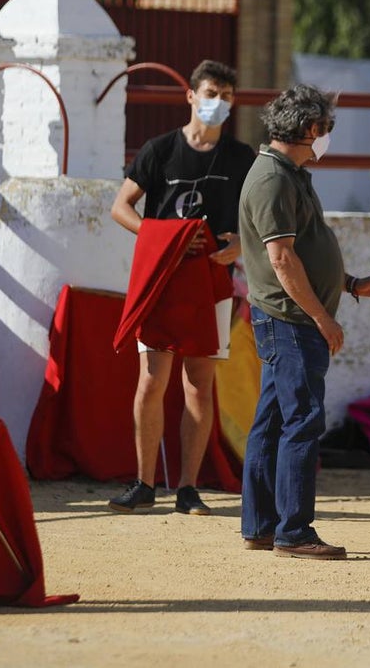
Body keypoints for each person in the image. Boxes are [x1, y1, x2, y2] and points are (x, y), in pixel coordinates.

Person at [238, 83, 370, 560]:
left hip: (289, 318)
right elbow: (282, 260)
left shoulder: (288, 174)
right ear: (310, 129)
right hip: (290, 321)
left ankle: (264, 526)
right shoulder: (273, 180)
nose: (328, 136)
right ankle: (294, 531)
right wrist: (324, 317)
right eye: (326, 127)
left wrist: (347, 284)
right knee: (302, 419)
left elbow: (303, 253)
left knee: (274, 419)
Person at [108, 59, 256, 516]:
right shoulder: (160, 150)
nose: (218, 103)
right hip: (162, 280)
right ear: (190, 96)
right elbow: (121, 206)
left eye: (227, 96)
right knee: (152, 381)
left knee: (199, 384)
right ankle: (143, 482)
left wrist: (241, 247)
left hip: (212, 280)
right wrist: (162, 238)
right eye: (211, 93)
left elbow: (259, 218)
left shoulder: (240, 157)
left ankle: (188, 488)